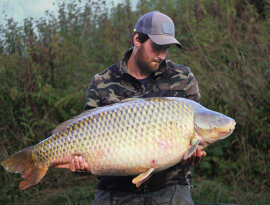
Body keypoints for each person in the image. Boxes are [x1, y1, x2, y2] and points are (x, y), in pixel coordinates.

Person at [70, 11, 206, 205]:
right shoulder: (102, 82)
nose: (161, 55)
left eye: (166, 48)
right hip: (115, 189)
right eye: (157, 47)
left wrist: (195, 153)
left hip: (170, 187)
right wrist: (81, 163)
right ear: (137, 39)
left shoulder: (183, 78)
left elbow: (198, 131)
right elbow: (84, 134)